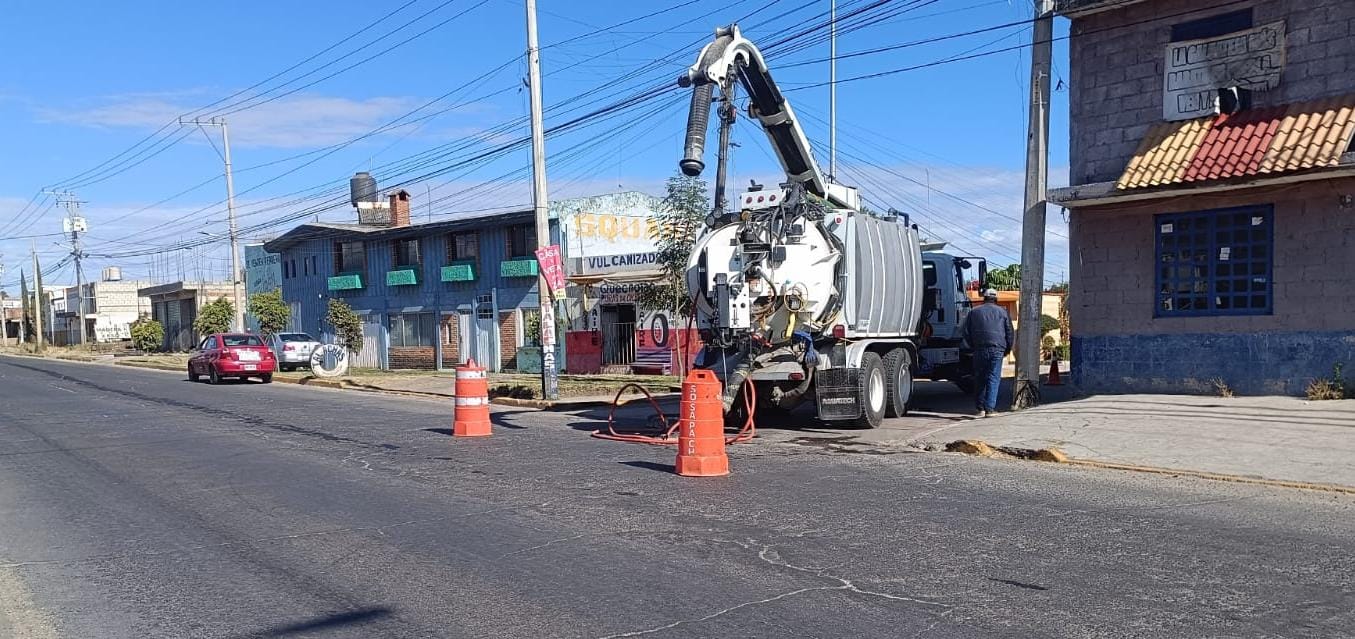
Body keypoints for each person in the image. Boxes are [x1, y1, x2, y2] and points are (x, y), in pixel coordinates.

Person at [960, 288, 1014, 417]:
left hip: (979, 349)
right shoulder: (1003, 312)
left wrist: (972, 346)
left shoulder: (974, 312)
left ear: (984, 298)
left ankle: (980, 408)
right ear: (996, 299)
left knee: (980, 378)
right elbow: (1009, 332)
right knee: (993, 378)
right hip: (997, 349)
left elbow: (965, 332)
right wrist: (1008, 348)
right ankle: (990, 409)